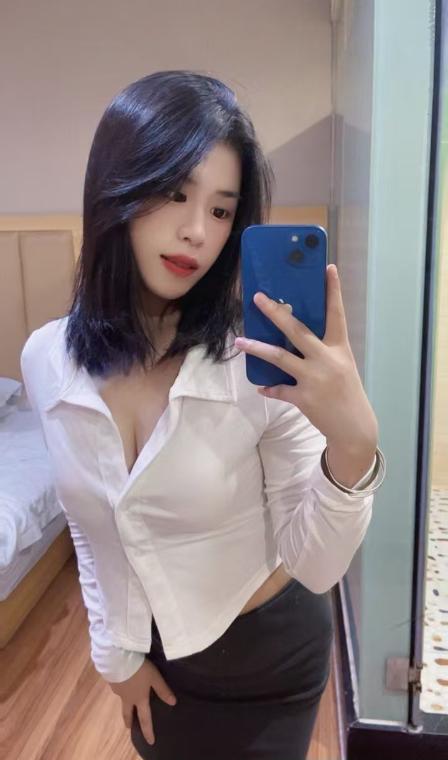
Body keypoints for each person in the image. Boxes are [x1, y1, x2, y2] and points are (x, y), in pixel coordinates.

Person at [20, 70, 385, 760]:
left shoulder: (255, 362)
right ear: (115, 190)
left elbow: (315, 565)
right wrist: (113, 656)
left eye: (221, 211)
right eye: (174, 193)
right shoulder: (46, 360)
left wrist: (354, 446)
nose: (196, 232)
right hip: (155, 660)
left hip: (269, 664)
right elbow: (91, 528)